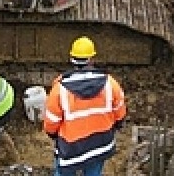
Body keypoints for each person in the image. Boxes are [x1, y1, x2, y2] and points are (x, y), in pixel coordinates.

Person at [43, 36, 126, 176]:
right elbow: (120, 114)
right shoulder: (110, 83)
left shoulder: (60, 88)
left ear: (72, 59)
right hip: (100, 144)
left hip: (71, 148)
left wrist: (53, 135)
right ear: (92, 59)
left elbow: (51, 124)